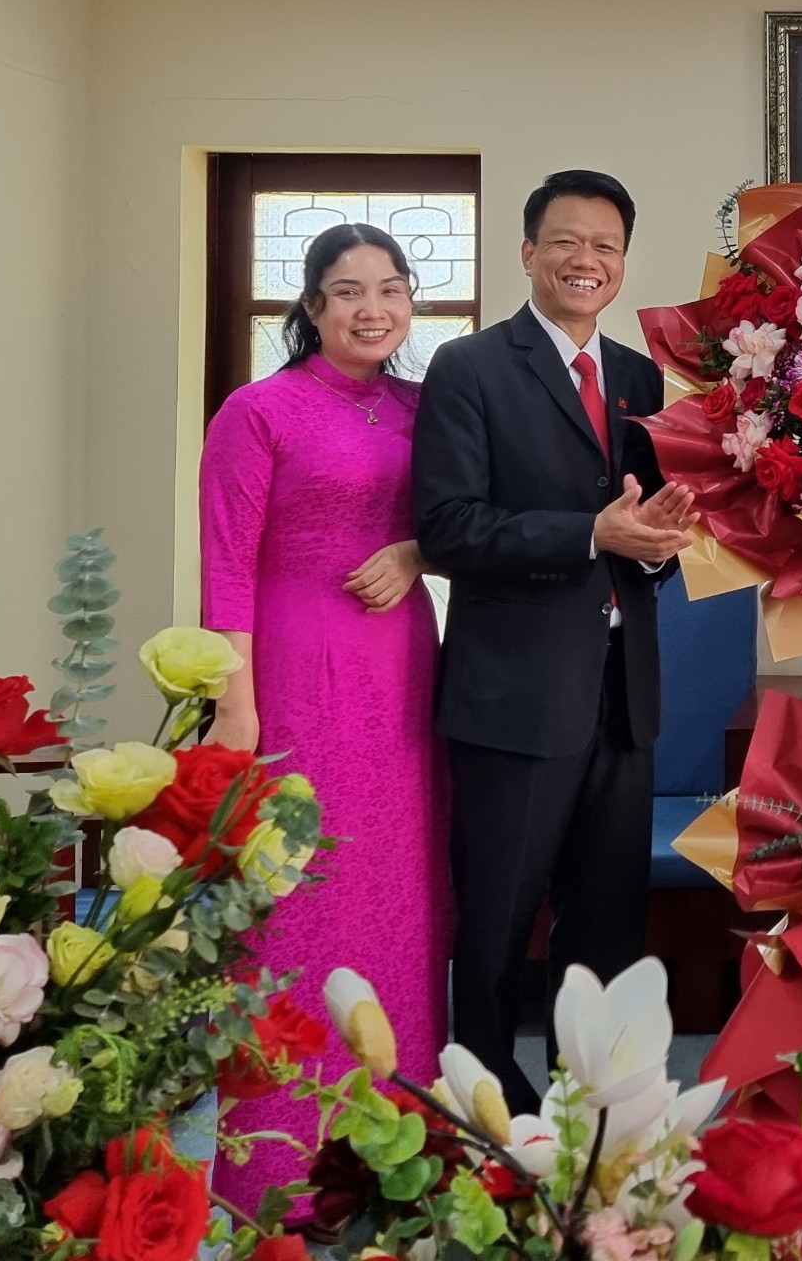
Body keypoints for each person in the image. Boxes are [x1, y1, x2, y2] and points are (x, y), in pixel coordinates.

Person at [412, 168, 693, 1112]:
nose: (586, 260)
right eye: (566, 242)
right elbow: (448, 526)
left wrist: (660, 545)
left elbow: (641, 527)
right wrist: (589, 535)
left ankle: (592, 1112)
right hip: (514, 694)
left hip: (623, 690)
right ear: (529, 251)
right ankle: (487, 1109)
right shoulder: (469, 368)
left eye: (605, 246)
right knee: (497, 924)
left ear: (623, 263)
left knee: (607, 924)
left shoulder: (641, 379)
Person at [198, 222, 450, 1212]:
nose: (373, 309)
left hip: (402, 672)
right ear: (311, 306)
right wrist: (235, 704)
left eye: (391, 289)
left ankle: (395, 1149)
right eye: (349, 291)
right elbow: (225, 564)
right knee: (299, 889)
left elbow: (462, 517)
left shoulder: (426, 408)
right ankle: (280, 1169)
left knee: (400, 888)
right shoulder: (258, 411)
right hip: (295, 670)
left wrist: (417, 552)